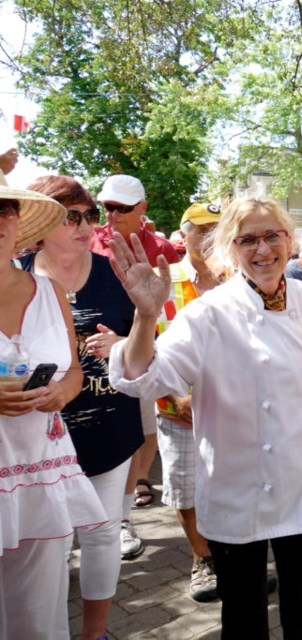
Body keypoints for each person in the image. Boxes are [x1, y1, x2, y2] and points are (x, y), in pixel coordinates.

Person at [107, 197, 302, 638]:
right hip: (237, 486)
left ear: (289, 240)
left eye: (271, 236)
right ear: (230, 248)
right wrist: (145, 317)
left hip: (301, 481)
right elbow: (144, 378)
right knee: (244, 619)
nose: (263, 250)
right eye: (248, 240)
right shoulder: (209, 312)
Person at [19, 175, 145, 639]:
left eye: (89, 216)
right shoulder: (17, 275)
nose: (85, 225)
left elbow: (149, 350)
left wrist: (124, 340)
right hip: (37, 435)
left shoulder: (117, 272)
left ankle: (95, 633)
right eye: (72, 217)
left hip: (108, 428)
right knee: (47, 543)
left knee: (101, 533)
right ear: (44, 222)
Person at [0, 185, 107, 639]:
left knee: (40, 607)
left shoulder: (50, 290)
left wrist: (62, 391)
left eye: (6, 211)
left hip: (43, 471)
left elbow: (75, 372)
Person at [89, 175, 178, 547]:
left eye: (122, 208)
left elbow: (170, 317)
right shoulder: (89, 240)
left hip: (139, 356)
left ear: (142, 208)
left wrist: (124, 343)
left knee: (139, 433)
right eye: (107, 206)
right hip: (88, 353)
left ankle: (122, 517)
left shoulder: (162, 250)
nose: (112, 214)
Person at [154, 203, 224, 601]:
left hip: (228, 411)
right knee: (185, 488)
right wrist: (174, 396)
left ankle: (232, 555)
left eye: (217, 228)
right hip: (177, 410)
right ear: (183, 236)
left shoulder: (237, 279)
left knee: (230, 485)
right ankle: (203, 560)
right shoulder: (163, 280)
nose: (210, 235)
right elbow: (147, 348)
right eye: (201, 229)